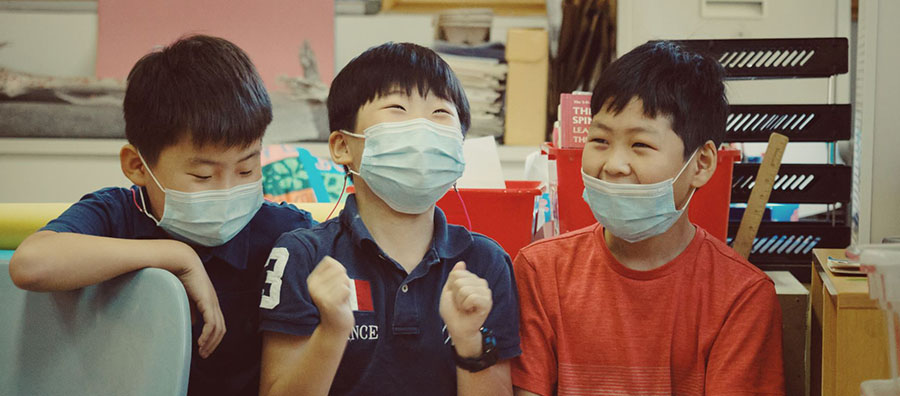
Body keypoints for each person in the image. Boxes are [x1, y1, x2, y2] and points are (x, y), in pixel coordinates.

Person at [10, 35, 315, 396]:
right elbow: (31, 264)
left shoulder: (285, 233)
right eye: (203, 175)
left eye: (246, 169)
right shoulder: (117, 214)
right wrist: (176, 256)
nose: (229, 189)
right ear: (137, 166)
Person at [512, 41, 785, 395]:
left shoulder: (741, 296)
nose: (613, 165)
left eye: (640, 145)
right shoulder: (540, 272)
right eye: (599, 140)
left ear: (701, 164)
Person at [257, 42, 520, 396]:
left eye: (440, 112)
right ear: (342, 146)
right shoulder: (302, 255)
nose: (422, 129)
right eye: (398, 107)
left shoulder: (485, 263)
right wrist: (331, 333)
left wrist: (470, 342)